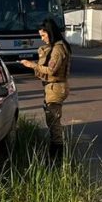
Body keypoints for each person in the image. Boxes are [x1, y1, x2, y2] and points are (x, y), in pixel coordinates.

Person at [20, 18, 71, 157]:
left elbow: (51, 70)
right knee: (52, 120)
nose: (42, 39)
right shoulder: (54, 47)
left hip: (55, 87)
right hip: (52, 87)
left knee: (53, 121)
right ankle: (55, 151)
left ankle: (57, 153)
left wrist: (32, 65)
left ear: (50, 33)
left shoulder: (58, 49)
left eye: (43, 35)